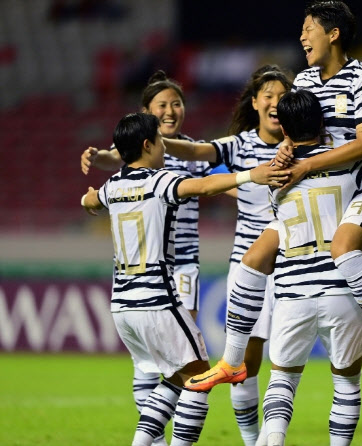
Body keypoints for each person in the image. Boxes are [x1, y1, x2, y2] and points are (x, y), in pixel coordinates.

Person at [185, 0, 362, 394]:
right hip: (316, 188)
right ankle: (232, 363)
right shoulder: (303, 81)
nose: (302, 36)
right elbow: (297, 129)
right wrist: (286, 149)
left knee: (344, 247)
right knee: (253, 260)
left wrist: (305, 166)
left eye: (309, 29)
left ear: (333, 33)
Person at [80, 113, 289, 446]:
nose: (165, 147)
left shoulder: (113, 185)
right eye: (160, 141)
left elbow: (92, 200)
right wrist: (253, 174)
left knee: (176, 378)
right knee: (201, 377)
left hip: (121, 305)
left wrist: (85, 199)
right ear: (148, 145)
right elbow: (204, 186)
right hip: (158, 301)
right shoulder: (159, 180)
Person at [261, 89, 362, 446]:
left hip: (291, 292)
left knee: (282, 380)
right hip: (345, 290)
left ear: (283, 128)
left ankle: (272, 441)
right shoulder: (353, 164)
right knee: (346, 382)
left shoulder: (276, 173)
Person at [157, 64, 293, 446]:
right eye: (268, 95)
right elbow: (200, 150)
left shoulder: (304, 144)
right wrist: (158, 139)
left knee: (285, 357)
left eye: (283, 97)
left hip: (295, 266)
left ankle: (273, 435)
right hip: (249, 268)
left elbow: (349, 143)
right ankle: (254, 440)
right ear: (254, 102)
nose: (275, 103)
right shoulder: (239, 145)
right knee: (246, 365)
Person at [79, 70, 211, 446]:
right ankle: (155, 437)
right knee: (175, 364)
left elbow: (218, 177)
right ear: (147, 113)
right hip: (156, 273)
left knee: (178, 359)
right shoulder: (142, 154)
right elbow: (114, 160)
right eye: (162, 105)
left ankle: (151, 435)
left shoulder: (194, 150)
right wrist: (100, 156)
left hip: (183, 262)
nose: (171, 110)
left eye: (176, 103)